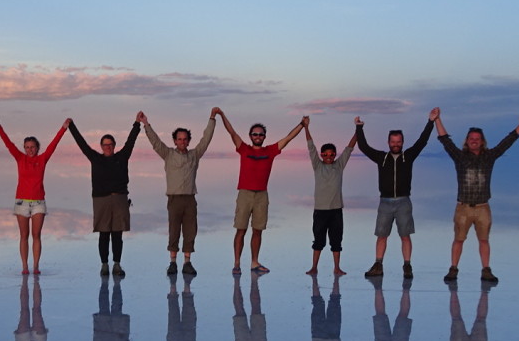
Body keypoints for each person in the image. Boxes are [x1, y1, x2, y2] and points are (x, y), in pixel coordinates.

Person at [433, 109, 519, 284]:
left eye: (477, 139)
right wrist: (437, 120)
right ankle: (453, 269)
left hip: (483, 208)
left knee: (484, 240)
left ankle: (486, 270)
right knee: (458, 239)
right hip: (463, 207)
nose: (474, 141)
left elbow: (506, 143)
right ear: (467, 141)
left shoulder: (489, 156)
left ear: (481, 142)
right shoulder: (460, 156)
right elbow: (445, 141)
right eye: (471, 139)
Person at [215, 108, 307, 275]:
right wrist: (221, 115)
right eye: (255, 134)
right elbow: (232, 132)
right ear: (251, 136)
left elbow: (288, 138)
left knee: (258, 230)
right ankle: (237, 263)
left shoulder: (270, 151)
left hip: (262, 195)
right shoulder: (244, 149)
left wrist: (301, 124)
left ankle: (254, 262)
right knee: (241, 230)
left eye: (261, 134)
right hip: (244, 194)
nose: (258, 137)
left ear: (264, 137)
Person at [355, 108, 439, 279]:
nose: (395, 144)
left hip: (403, 202)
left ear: (402, 142)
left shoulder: (408, 156)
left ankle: (407, 266)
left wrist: (430, 122)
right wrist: (359, 128)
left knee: (405, 236)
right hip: (385, 202)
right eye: (393, 141)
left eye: (398, 141)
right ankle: (378, 265)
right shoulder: (382, 158)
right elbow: (363, 147)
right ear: (388, 142)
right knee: (381, 236)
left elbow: (422, 142)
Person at [139, 108, 218, 276]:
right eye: (179, 139)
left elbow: (206, 139)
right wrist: (146, 123)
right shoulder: (167, 154)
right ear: (175, 141)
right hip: (174, 199)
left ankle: (187, 263)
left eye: (185, 139)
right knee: (174, 230)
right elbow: (156, 142)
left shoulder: (195, 155)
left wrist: (212, 118)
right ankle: (172, 262)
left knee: (190, 230)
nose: (182, 142)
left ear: (189, 141)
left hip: (190, 199)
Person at [0, 116, 69, 275]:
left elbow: (53, 145)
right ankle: (25, 266)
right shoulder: (20, 158)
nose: (30, 150)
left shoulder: (42, 159)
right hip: (22, 202)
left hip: (38, 202)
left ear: (37, 148)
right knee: (24, 235)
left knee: (36, 235)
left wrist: (63, 128)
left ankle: (36, 266)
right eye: (27, 147)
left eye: (32, 147)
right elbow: (8, 144)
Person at [68, 117, 141, 276]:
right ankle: (104, 265)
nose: (107, 147)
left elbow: (131, 141)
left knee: (117, 234)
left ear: (114, 146)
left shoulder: (122, 157)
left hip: (120, 199)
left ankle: (117, 264)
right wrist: (71, 126)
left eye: (110, 144)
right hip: (101, 200)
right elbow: (82, 144)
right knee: (103, 234)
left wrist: (137, 123)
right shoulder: (96, 158)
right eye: (105, 144)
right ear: (101, 147)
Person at [304, 123, 357, 276]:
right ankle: (314, 267)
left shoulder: (339, 165)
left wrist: (358, 130)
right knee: (318, 241)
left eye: (331, 154)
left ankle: (337, 267)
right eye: (325, 155)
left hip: (336, 210)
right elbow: (311, 147)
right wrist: (306, 128)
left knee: (336, 241)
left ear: (335, 155)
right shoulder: (317, 166)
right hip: (320, 211)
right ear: (321, 155)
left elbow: (349, 148)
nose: (328, 157)